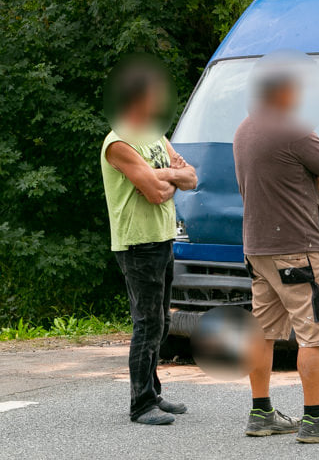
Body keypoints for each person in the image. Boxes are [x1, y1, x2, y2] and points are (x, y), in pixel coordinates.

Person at [233, 52, 319, 442]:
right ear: (284, 91)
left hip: (258, 248)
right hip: (298, 249)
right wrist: (317, 179)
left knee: (263, 331)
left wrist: (311, 179)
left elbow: (280, 177)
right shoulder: (294, 130)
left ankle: (261, 413)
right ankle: (314, 420)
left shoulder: (244, 129)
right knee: (315, 332)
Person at [100, 57, 198, 425]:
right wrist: (169, 177)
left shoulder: (155, 135)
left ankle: (154, 393)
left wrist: (164, 174)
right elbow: (157, 193)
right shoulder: (119, 141)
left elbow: (191, 178)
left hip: (162, 237)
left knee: (161, 318)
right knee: (147, 322)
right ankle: (140, 404)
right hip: (136, 243)